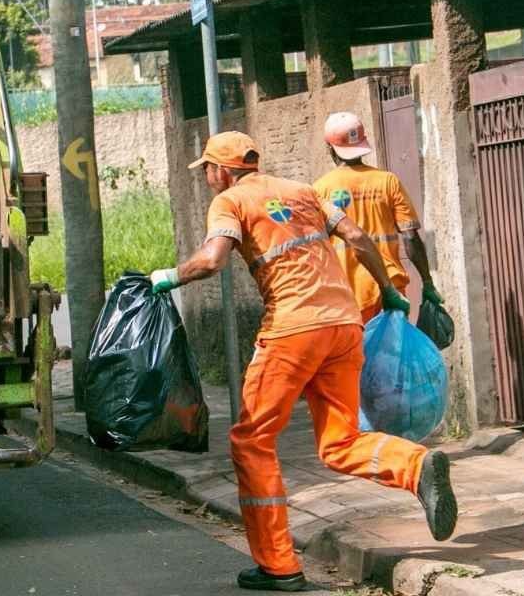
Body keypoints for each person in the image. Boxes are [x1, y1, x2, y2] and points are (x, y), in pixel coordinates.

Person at [150, 131, 457, 592]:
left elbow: (213, 260)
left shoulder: (230, 201)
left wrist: (170, 277)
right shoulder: (304, 191)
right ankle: (415, 466)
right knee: (339, 441)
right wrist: (389, 290)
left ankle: (279, 566)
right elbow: (356, 236)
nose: (208, 179)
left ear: (221, 170)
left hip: (292, 330)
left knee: (252, 440)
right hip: (344, 324)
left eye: (208, 171)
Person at [313, 112, 444, 325]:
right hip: (391, 289)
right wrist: (427, 282)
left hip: (348, 293)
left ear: (330, 148)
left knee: (357, 358)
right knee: (392, 355)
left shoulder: (319, 189)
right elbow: (410, 237)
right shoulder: (388, 181)